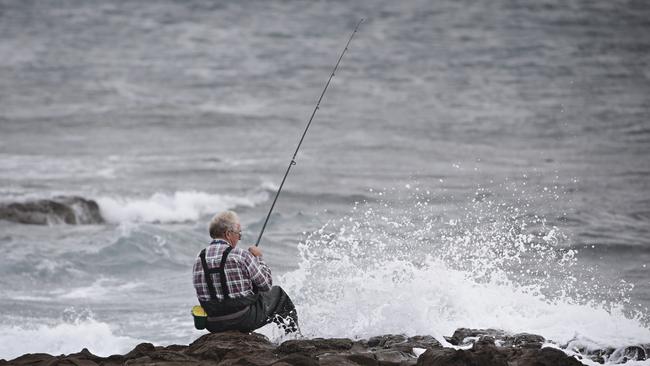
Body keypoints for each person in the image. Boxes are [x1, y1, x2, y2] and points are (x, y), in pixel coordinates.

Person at [192, 210, 298, 333]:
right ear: (228, 234)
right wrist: (258, 258)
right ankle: (291, 338)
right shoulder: (241, 255)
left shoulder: (199, 259)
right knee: (279, 295)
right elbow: (266, 285)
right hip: (243, 319)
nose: (239, 238)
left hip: (213, 324)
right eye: (239, 234)